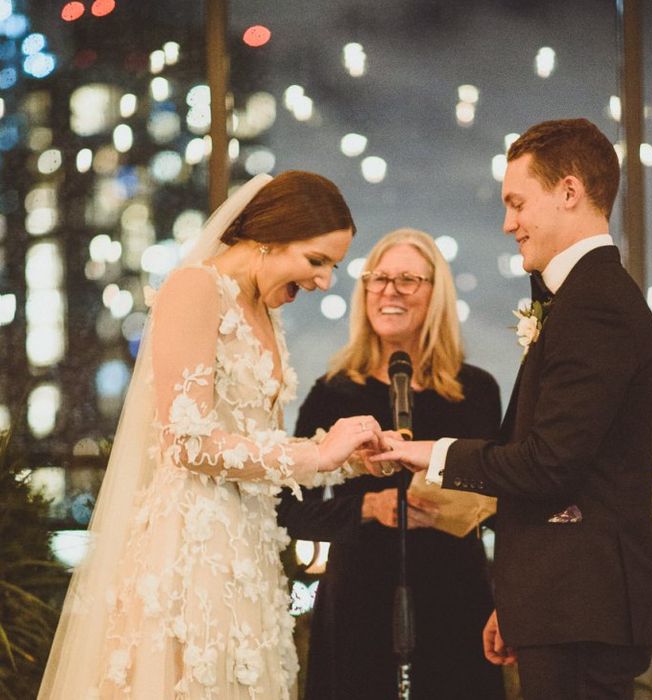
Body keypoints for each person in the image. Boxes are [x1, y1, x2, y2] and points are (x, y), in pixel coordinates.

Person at [39, 171, 389, 700]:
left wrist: (348, 459)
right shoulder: (195, 288)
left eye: (332, 267)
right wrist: (319, 453)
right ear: (270, 236)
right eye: (316, 261)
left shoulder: (267, 312)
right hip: (190, 546)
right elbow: (187, 443)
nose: (324, 282)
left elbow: (254, 441)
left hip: (250, 545)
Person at [375, 120, 652, 700]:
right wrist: (516, 601)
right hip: (559, 606)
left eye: (517, 203)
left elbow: (547, 465)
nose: (508, 224)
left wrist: (431, 454)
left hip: (582, 608)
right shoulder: (581, 299)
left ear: (569, 191)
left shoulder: (596, 306)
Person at [277, 228, 505, 699]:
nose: (388, 291)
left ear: (435, 293)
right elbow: (287, 508)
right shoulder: (334, 391)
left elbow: (503, 489)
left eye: (407, 280)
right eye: (377, 279)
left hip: (455, 593)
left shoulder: (476, 391)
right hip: (360, 595)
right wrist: (367, 508)